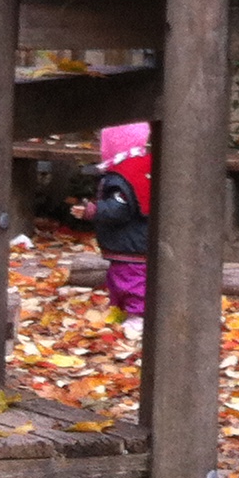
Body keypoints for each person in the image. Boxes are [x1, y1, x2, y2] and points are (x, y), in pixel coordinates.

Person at [93, 121, 154, 341]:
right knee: (118, 276)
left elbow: (120, 209)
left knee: (131, 279)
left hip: (131, 244)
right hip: (126, 243)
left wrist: (95, 210)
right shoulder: (133, 171)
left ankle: (138, 315)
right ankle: (123, 309)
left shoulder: (124, 175)